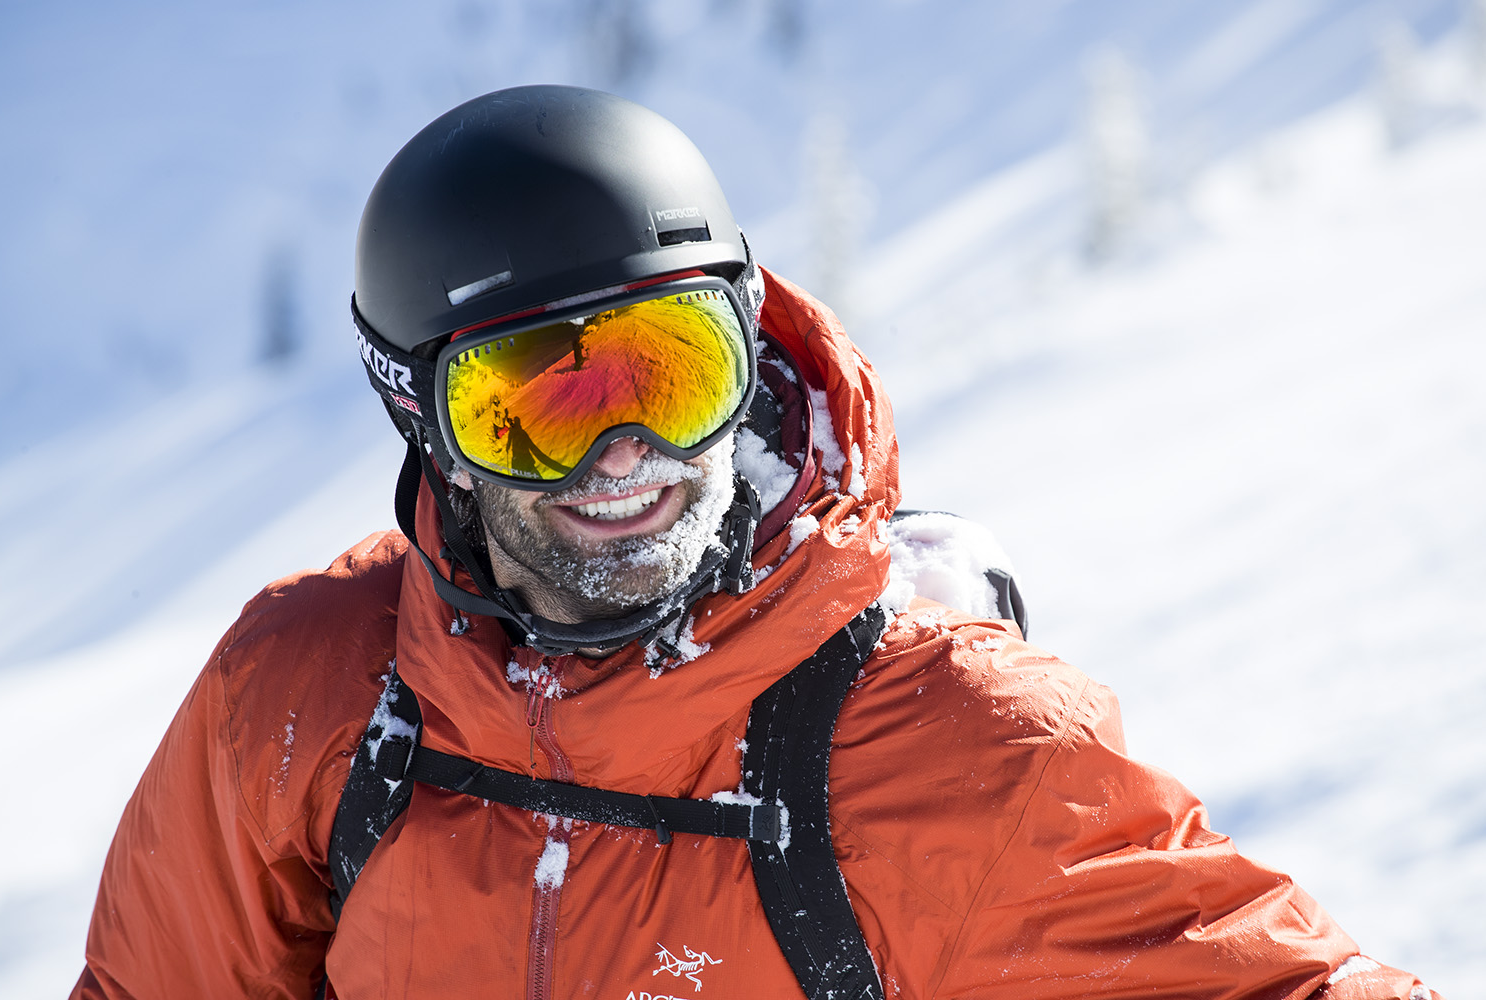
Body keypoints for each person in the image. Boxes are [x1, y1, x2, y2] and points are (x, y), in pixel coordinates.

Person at [72, 86, 1441, 1000]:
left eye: (672, 371)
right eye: (535, 405)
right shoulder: (308, 697)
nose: (626, 456)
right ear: (423, 420)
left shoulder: (956, 744)